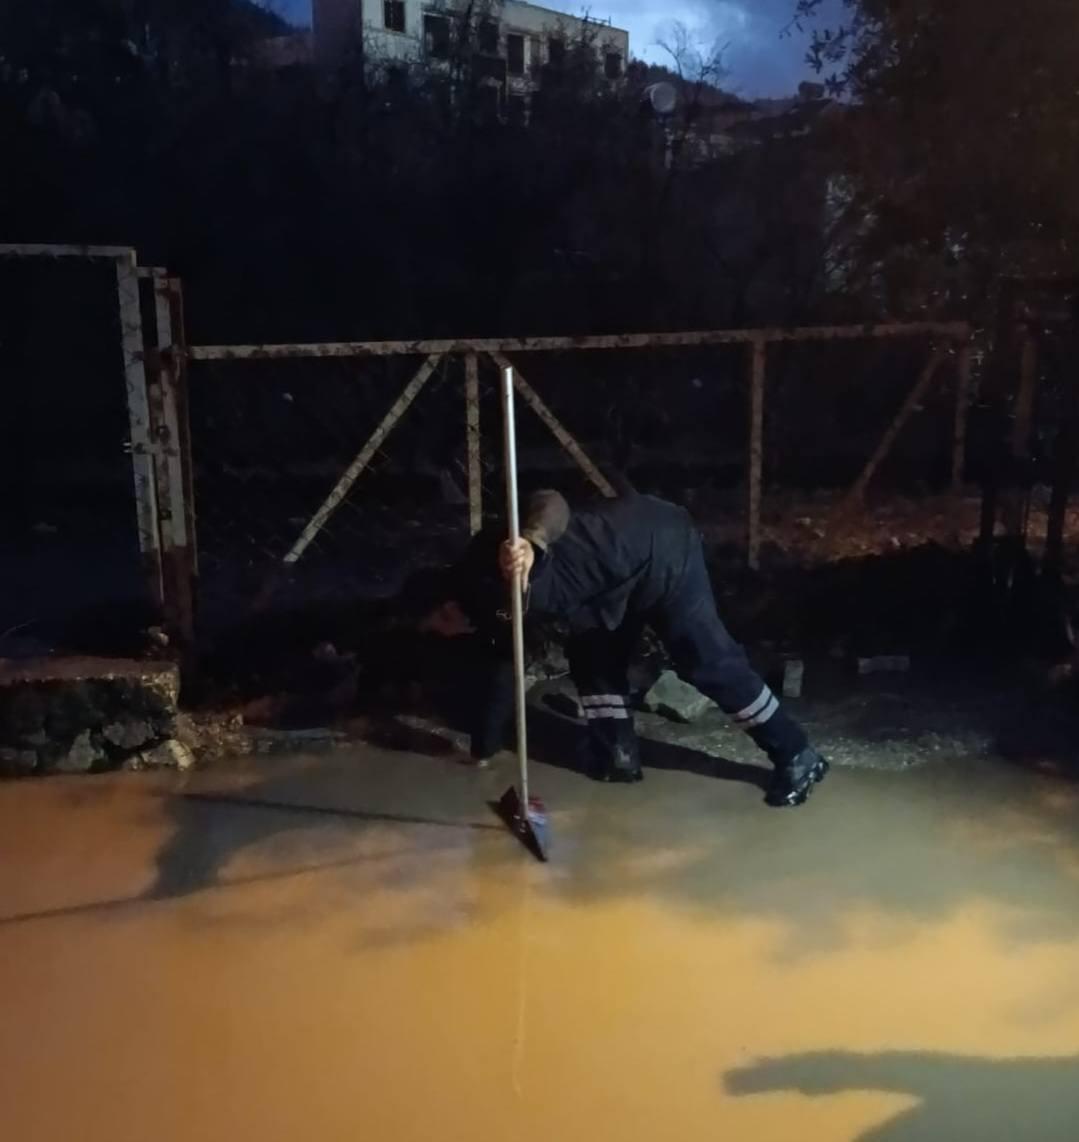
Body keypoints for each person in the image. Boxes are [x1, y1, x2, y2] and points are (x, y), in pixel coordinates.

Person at [419, 489, 829, 807]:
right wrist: (484, 750)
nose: (444, 631)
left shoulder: (486, 558)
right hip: (605, 587)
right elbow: (502, 668)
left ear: (445, 604)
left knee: (704, 660)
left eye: (439, 621)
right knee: (592, 656)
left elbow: (551, 501)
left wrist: (530, 541)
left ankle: (797, 754)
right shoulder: (485, 616)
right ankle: (616, 753)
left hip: (657, 544)